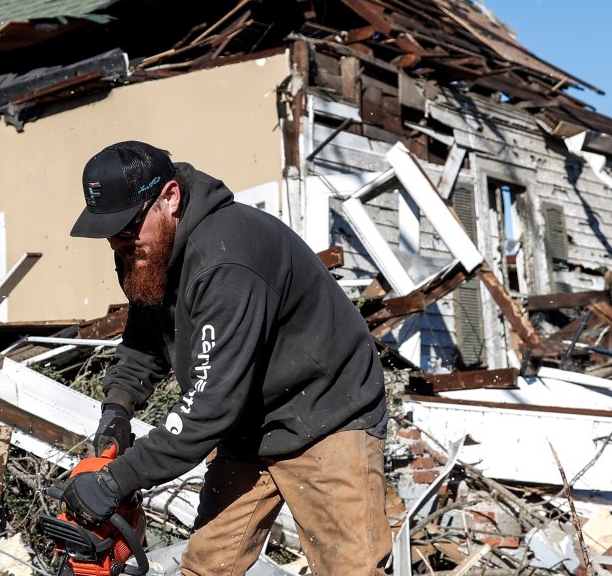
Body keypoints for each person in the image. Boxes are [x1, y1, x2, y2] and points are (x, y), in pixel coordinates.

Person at [62, 141, 391, 576]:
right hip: (248, 426)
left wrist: (116, 480)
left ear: (171, 198)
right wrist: (118, 407)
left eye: (127, 229)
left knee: (350, 570)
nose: (119, 243)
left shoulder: (227, 258)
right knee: (208, 567)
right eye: (110, 234)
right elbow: (145, 335)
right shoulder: (148, 250)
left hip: (325, 416)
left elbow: (210, 404)